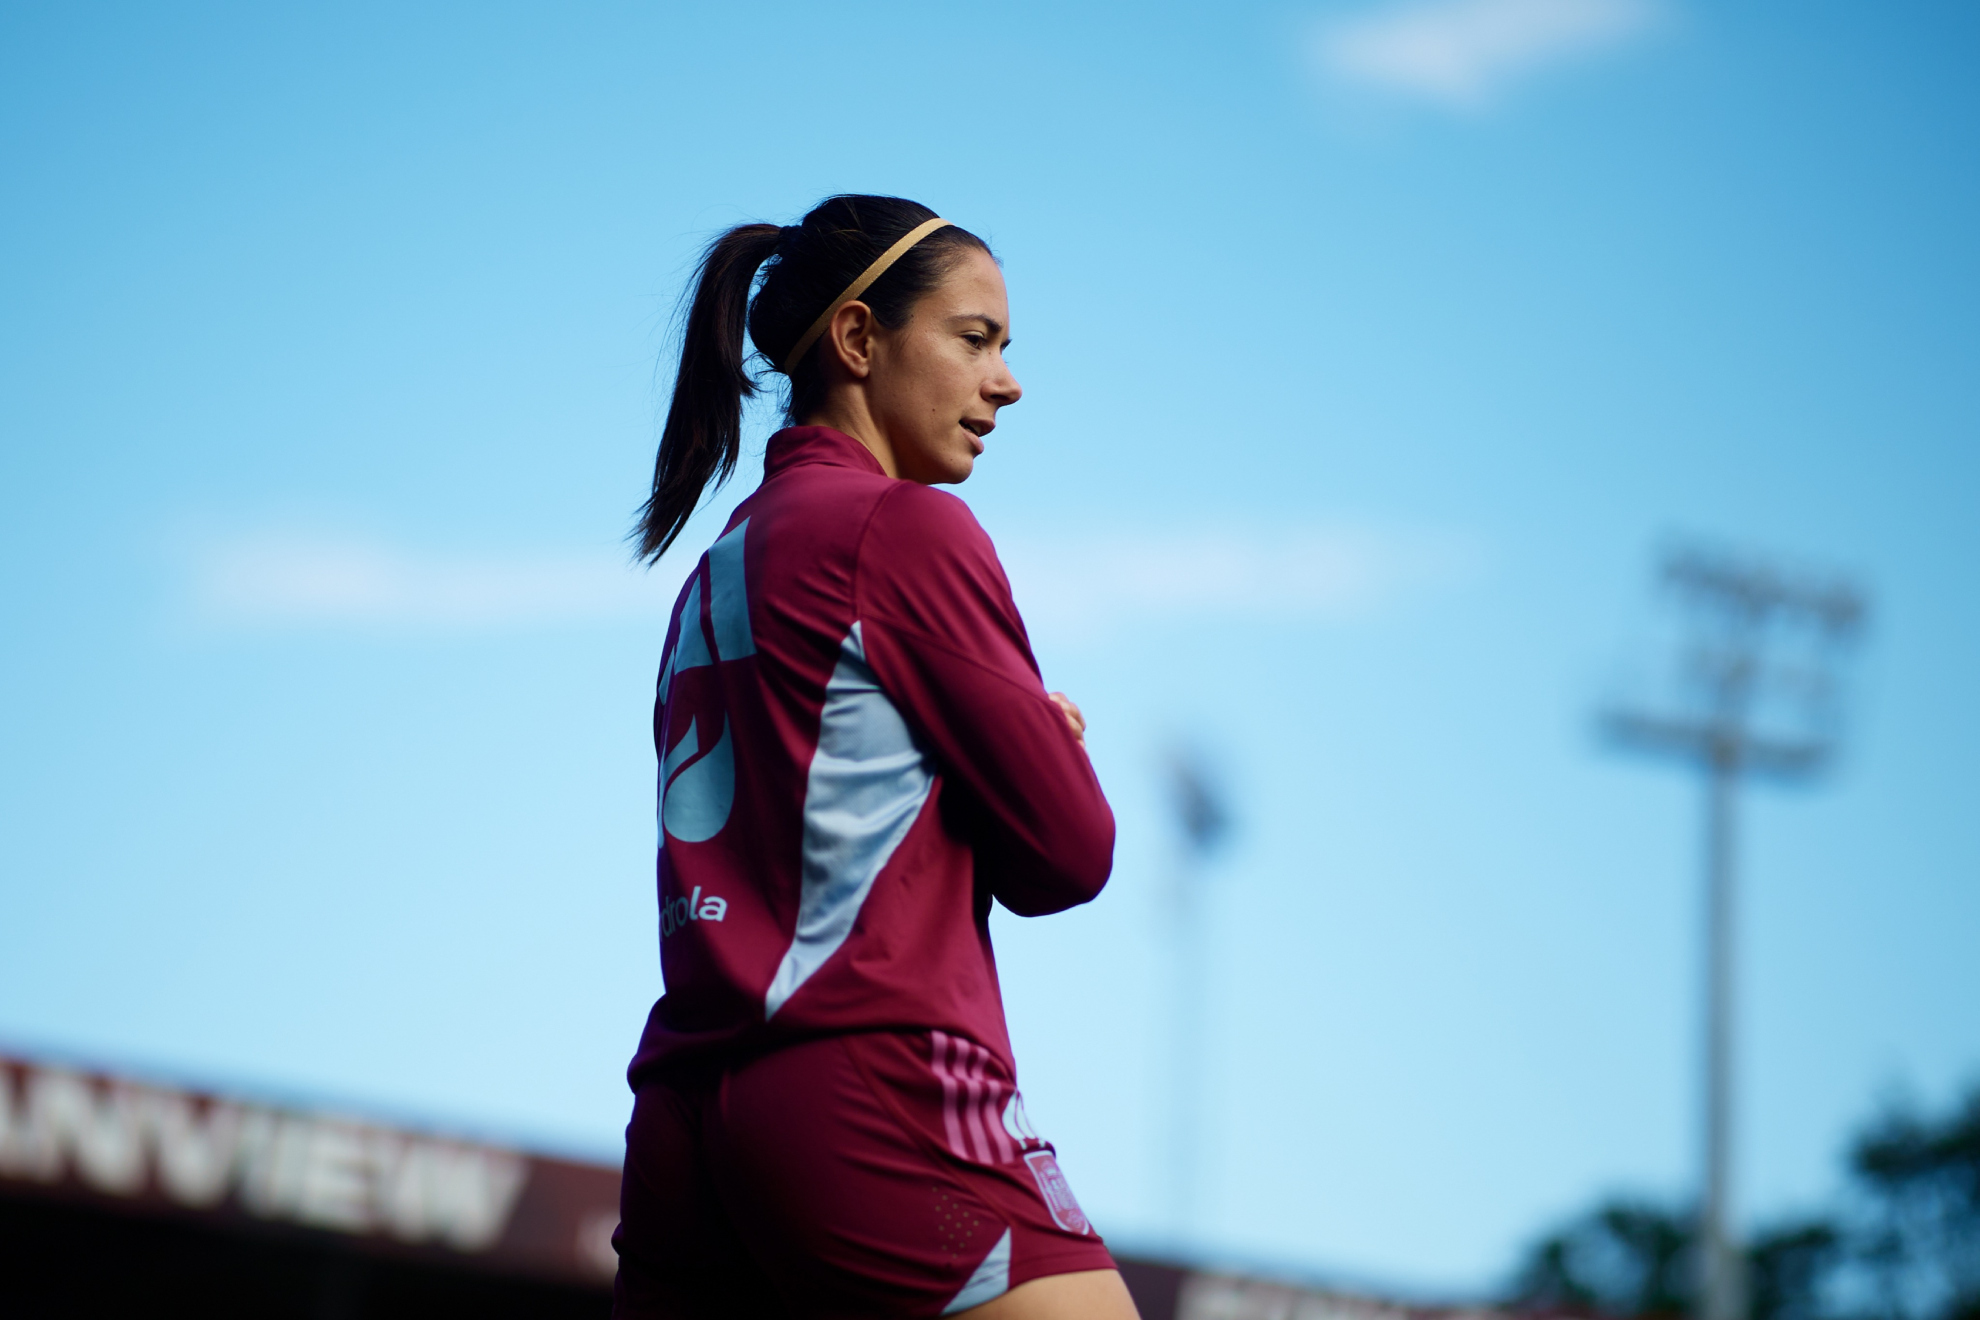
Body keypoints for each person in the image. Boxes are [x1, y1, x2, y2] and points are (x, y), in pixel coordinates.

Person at [611, 195, 1141, 1320]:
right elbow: (1071, 855)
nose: (1006, 383)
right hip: (870, 1093)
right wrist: (1034, 746)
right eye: (974, 338)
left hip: (686, 1126)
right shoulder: (907, 531)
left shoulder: (720, 566)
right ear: (857, 340)